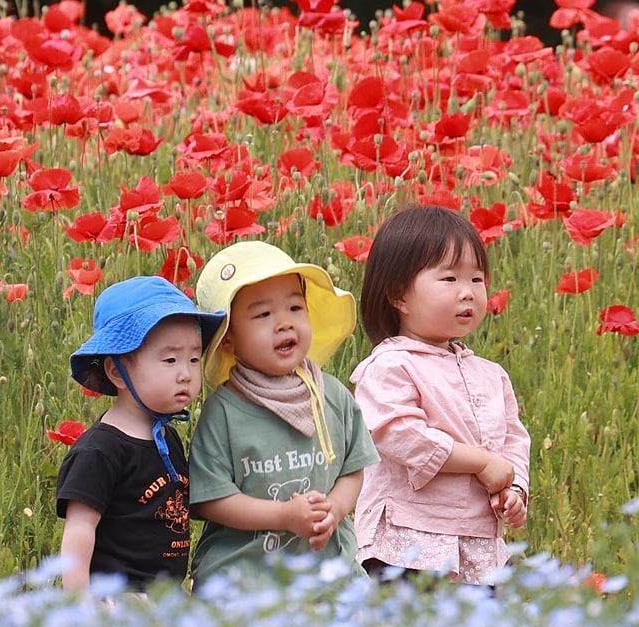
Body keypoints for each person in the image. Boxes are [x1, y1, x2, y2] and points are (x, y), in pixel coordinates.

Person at [351, 206, 530, 586]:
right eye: (449, 278)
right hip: (408, 541)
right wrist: (480, 462)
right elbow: (398, 434)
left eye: (477, 279)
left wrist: (513, 487)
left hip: (478, 544)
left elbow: (513, 438)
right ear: (398, 295)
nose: (467, 292)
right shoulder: (389, 366)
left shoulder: (491, 375)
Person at [187, 241, 380, 587]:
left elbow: (354, 469)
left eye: (295, 307)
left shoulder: (332, 396)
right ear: (228, 338)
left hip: (327, 565)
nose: (284, 324)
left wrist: (336, 508)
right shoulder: (224, 412)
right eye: (263, 314)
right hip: (246, 572)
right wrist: (284, 516)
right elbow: (211, 500)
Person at [57, 276, 225, 592]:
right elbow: (80, 530)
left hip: (165, 597)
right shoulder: (100, 450)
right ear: (117, 371)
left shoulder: (168, 439)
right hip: (117, 600)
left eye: (193, 358)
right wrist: (79, 607)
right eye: (170, 359)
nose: (185, 374)